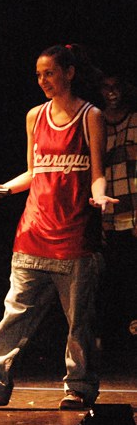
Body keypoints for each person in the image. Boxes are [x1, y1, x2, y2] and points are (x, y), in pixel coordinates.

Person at [0, 45, 115, 410]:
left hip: (75, 237)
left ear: (69, 73)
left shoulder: (91, 116)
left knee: (79, 322)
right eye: (39, 75)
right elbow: (32, 172)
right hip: (33, 232)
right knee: (16, 312)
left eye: (50, 73)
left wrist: (100, 197)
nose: (43, 80)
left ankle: (80, 387)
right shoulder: (35, 116)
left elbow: (97, 173)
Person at [98, 73, 137, 350]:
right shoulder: (96, 121)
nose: (112, 92)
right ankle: (112, 340)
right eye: (106, 87)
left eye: (117, 86)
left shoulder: (134, 121)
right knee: (110, 276)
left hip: (133, 209)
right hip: (106, 212)